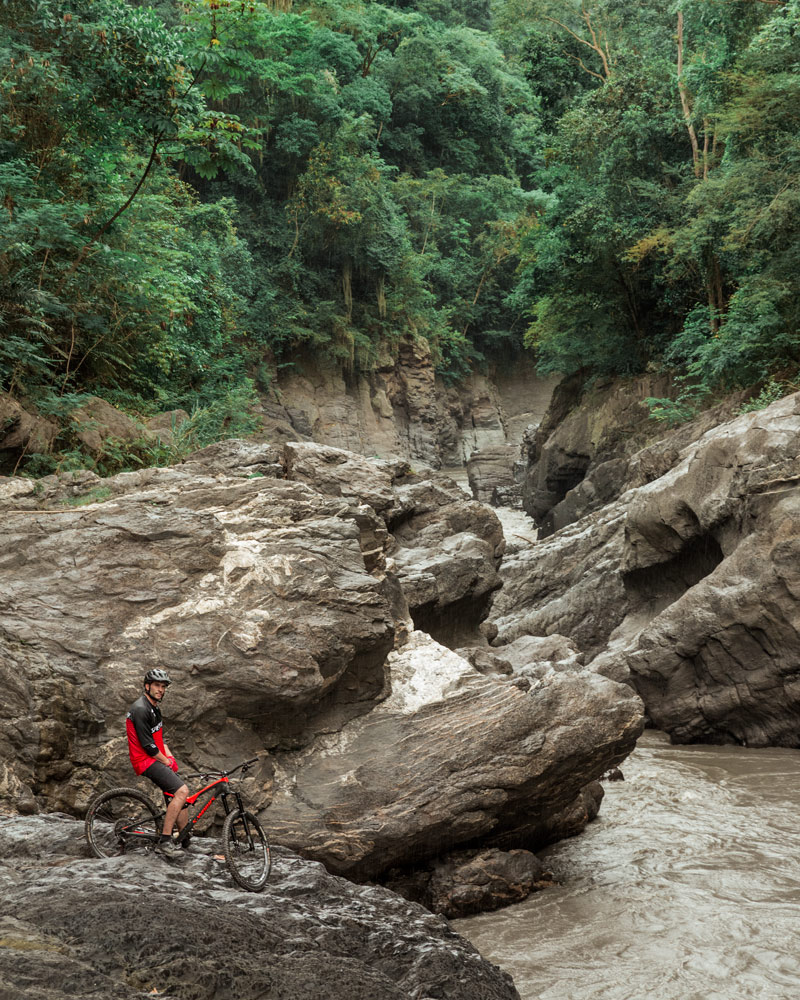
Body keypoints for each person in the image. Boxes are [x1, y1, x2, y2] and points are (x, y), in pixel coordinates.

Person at [126, 668, 189, 858]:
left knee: (179, 796)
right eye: (157, 686)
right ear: (147, 686)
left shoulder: (154, 708)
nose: (160, 690)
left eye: (163, 687)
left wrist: (170, 757)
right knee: (182, 791)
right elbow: (149, 747)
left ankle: (185, 840)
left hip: (154, 758)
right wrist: (166, 761)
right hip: (144, 760)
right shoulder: (140, 709)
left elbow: (160, 740)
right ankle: (165, 841)